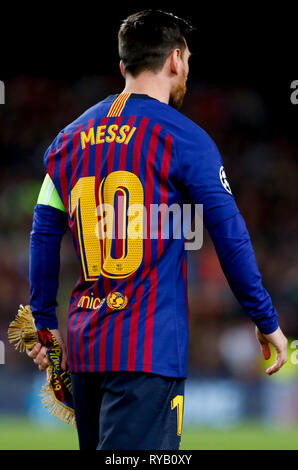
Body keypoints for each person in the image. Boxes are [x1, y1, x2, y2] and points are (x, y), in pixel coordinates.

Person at [26, 9, 288, 450]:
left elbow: (43, 234)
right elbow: (229, 232)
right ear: (175, 61)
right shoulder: (185, 137)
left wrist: (45, 325)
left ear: (123, 65)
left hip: (85, 350)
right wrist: (264, 318)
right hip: (147, 351)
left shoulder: (66, 141)